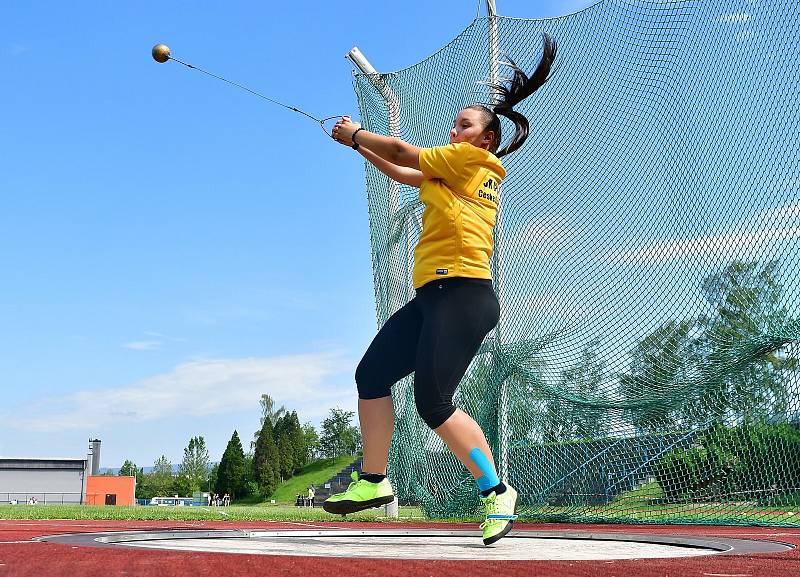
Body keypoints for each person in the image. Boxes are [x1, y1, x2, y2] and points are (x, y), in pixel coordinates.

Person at [323, 35, 557, 546]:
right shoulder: (452, 173)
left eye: (463, 125)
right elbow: (405, 170)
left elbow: (406, 150)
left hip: (464, 295)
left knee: (434, 402)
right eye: (454, 125)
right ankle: (373, 480)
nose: (455, 131)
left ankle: (496, 491)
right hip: (432, 297)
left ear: (486, 140)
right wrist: (360, 146)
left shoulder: (476, 164)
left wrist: (360, 132)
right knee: (372, 375)